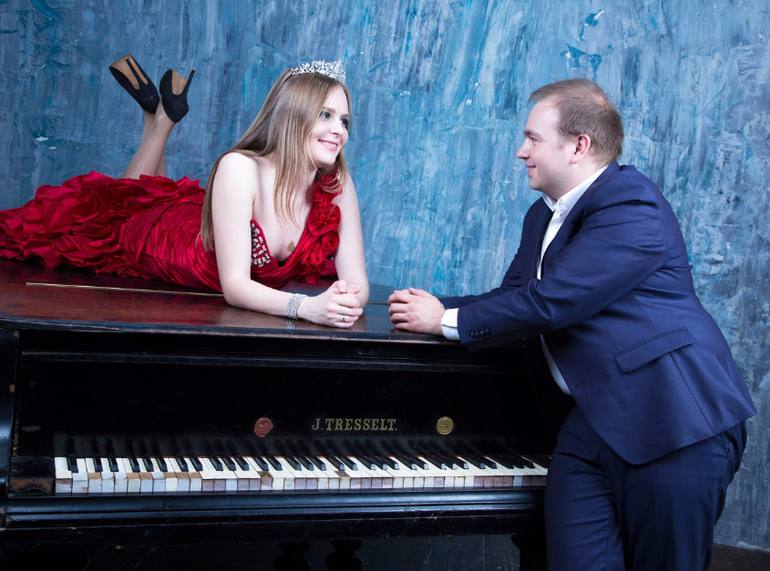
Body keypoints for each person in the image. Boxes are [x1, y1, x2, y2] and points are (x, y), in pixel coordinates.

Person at [388, 79, 756, 571]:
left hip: (672, 422)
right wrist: (429, 307)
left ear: (579, 146)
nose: (521, 151)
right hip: (591, 421)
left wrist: (444, 322)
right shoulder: (541, 217)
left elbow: (553, 303)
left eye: (533, 138)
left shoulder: (632, 204)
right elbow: (513, 298)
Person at [0, 55, 368, 327]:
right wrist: (305, 308)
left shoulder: (338, 183)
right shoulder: (240, 168)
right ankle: (160, 120)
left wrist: (345, 302)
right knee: (118, 211)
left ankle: (156, 116)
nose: (339, 130)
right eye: (325, 115)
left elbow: (357, 284)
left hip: (209, 219)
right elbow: (235, 288)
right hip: (170, 243)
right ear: (292, 115)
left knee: (148, 193)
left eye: (345, 120)